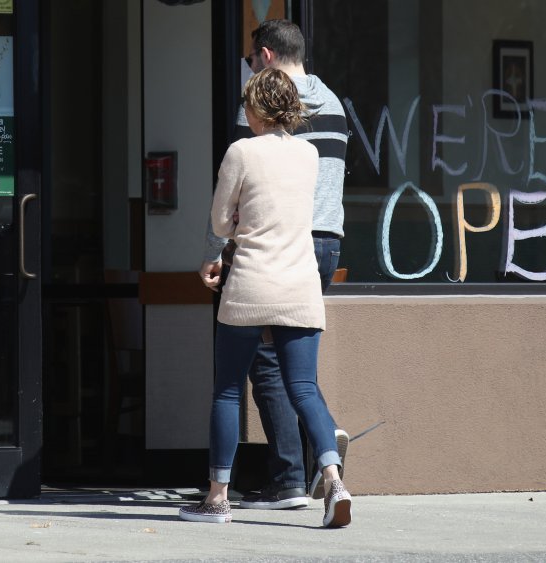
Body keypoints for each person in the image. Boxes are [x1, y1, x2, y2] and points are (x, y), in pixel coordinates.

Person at [180, 68, 351, 528]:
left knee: (229, 390)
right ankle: (334, 479)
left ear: (254, 107)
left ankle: (217, 497)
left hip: (252, 284)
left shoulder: (241, 151)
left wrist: (234, 222)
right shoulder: (310, 154)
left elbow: (220, 223)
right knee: (304, 388)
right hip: (300, 286)